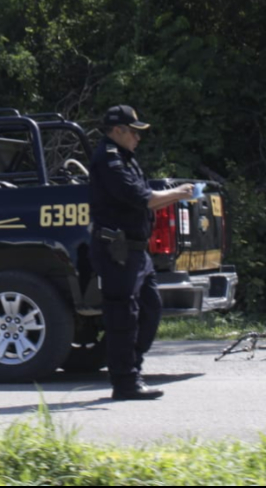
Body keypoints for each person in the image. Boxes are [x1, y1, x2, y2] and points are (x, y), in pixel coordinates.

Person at [87, 105, 194, 401]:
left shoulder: (125, 158)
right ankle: (125, 382)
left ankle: (130, 368)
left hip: (136, 251)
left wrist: (174, 196)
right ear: (117, 131)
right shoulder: (109, 160)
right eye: (134, 132)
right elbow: (138, 197)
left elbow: (144, 202)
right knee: (123, 316)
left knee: (150, 309)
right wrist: (179, 193)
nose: (138, 138)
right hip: (116, 250)